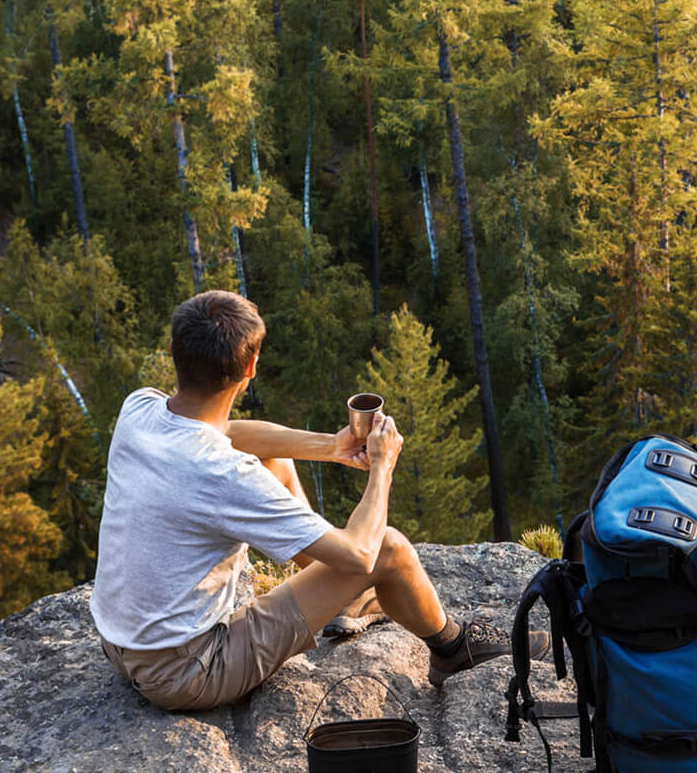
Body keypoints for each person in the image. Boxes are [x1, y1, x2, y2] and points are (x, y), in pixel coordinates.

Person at [91, 290, 542, 711]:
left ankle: (343, 605)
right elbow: (360, 554)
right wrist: (382, 467)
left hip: (122, 645)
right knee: (387, 549)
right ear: (251, 369)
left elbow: (224, 434)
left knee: (277, 463)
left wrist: (331, 446)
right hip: (189, 672)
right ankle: (452, 647)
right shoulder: (223, 474)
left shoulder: (140, 409)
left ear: (173, 352)